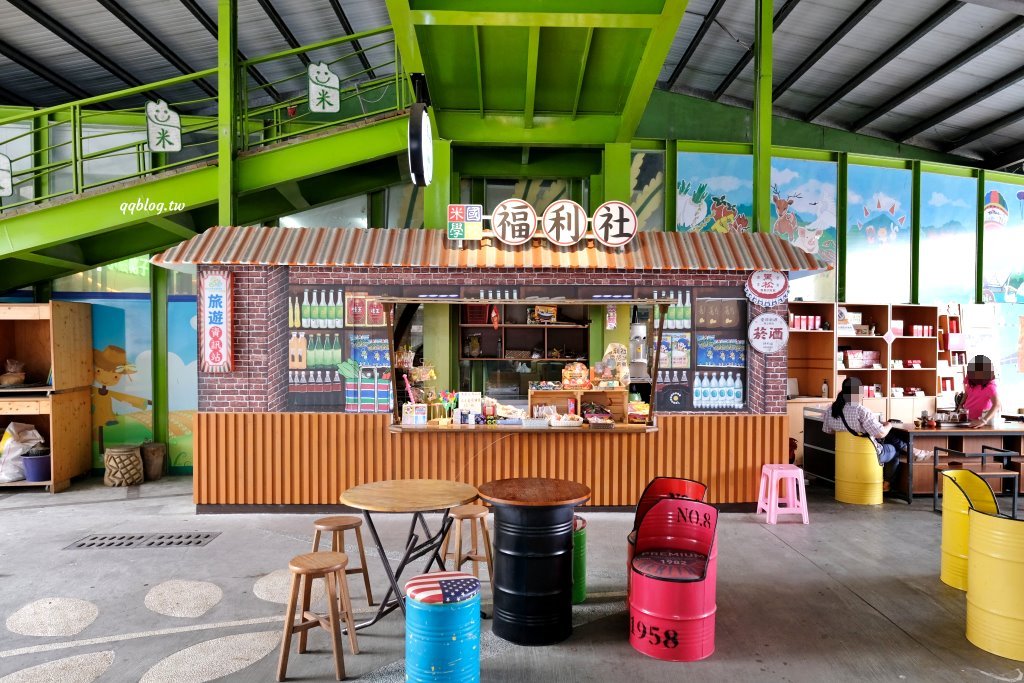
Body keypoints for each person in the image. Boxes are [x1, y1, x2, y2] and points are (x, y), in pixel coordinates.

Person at [822, 377, 929, 492]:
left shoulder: (831, 410)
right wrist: (889, 425)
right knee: (894, 449)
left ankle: (914, 451)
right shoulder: (861, 411)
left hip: (846, 454)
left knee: (889, 438)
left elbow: (828, 430)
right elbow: (880, 434)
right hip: (868, 453)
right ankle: (886, 484)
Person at [964, 355, 1001, 429]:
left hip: (980, 423)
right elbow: (967, 393)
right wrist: (959, 406)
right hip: (967, 421)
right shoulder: (971, 382)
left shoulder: (990, 387)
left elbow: (997, 404)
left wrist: (983, 420)